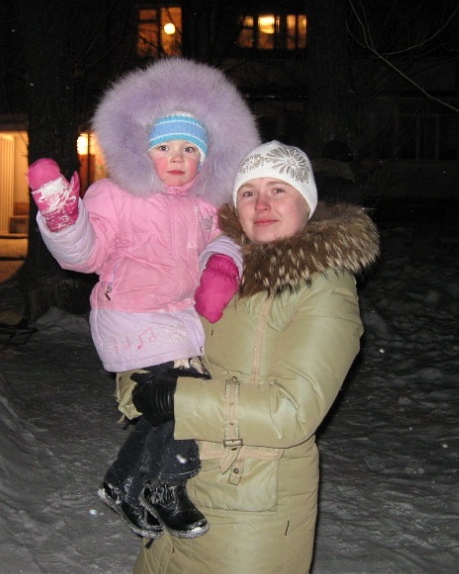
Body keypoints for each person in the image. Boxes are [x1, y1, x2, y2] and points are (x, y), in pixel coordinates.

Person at [26, 58, 260, 541]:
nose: (177, 157)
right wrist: (64, 221)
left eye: (190, 148)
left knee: (169, 410)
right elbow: (86, 254)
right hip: (130, 315)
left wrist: (222, 264)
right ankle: (165, 487)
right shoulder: (116, 195)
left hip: (182, 322)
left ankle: (124, 484)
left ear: (207, 158)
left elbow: (225, 239)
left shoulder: (208, 206)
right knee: (184, 403)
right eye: (164, 146)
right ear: (142, 150)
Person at [126, 141, 380, 573]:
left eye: (278, 190)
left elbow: (293, 411)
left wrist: (175, 399)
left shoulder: (325, 288)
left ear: (307, 203)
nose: (261, 204)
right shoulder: (216, 265)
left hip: (250, 514)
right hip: (173, 487)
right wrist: (136, 383)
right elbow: (155, 338)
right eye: (248, 192)